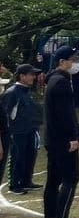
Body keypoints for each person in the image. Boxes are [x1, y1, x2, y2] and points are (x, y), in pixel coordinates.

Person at [42, 46, 79, 218]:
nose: (75, 63)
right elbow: (65, 115)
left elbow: (68, 113)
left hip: (52, 139)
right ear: (62, 62)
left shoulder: (53, 79)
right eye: (73, 59)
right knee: (70, 177)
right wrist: (72, 137)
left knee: (53, 179)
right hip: (62, 140)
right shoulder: (60, 82)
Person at [1, 64, 44, 194]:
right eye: (31, 74)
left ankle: (26, 181)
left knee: (30, 155)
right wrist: (9, 130)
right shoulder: (12, 92)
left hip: (31, 129)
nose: (33, 77)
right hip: (17, 131)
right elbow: (5, 114)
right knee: (17, 156)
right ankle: (14, 184)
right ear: (22, 76)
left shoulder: (29, 92)